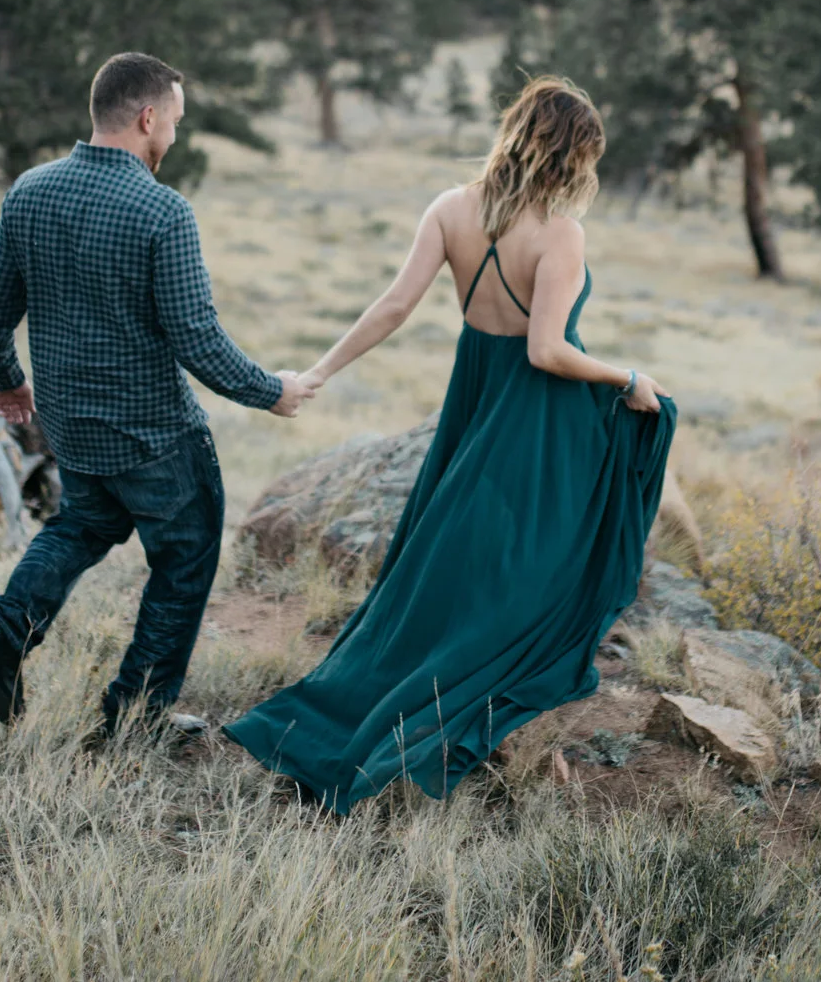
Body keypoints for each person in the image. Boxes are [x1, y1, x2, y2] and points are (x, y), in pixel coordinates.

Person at [224, 76, 676, 812]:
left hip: (475, 398)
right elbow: (549, 351)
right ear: (570, 154)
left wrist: (319, 371)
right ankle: (473, 685)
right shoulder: (560, 231)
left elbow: (394, 305)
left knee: (458, 555)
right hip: (536, 416)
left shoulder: (449, 208)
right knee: (532, 562)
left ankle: (402, 683)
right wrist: (629, 375)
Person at [0, 52, 315, 741]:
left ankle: (1, 627)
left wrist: (7, 381)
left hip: (73, 427)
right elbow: (199, 340)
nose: (175, 137)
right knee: (184, 560)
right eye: (174, 122)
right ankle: (133, 718)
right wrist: (273, 390)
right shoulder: (163, 211)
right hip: (155, 436)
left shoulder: (29, 192)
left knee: (83, 526)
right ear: (147, 116)